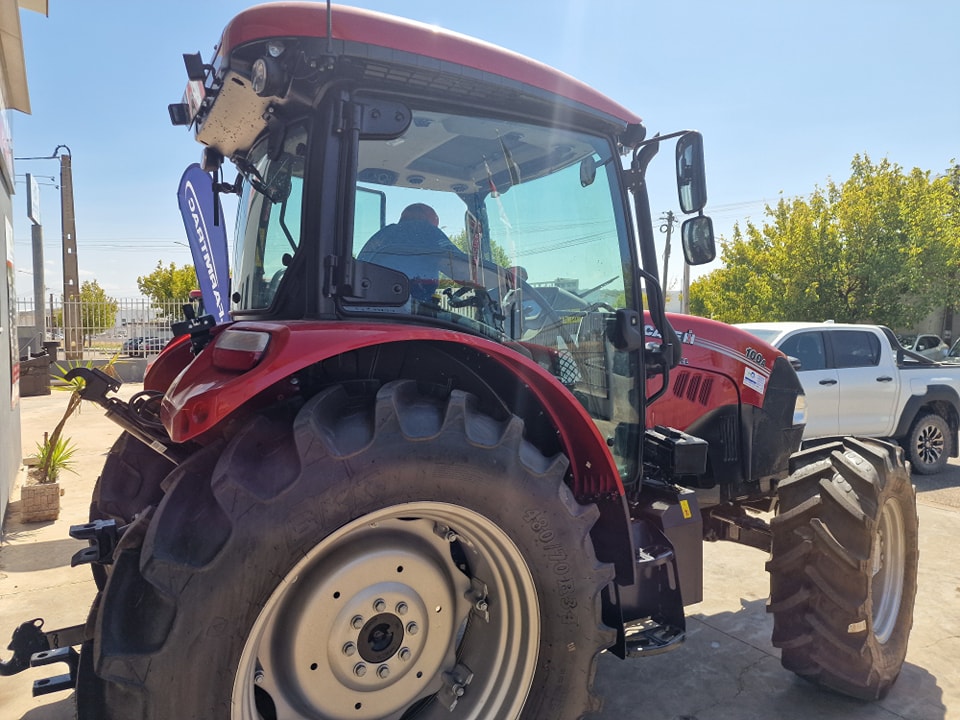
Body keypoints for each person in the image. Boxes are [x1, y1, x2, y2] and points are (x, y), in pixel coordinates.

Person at [358, 203, 470, 302]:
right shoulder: (427, 231)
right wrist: (481, 275)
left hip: (369, 304)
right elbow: (462, 272)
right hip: (410, 307)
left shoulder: (383, 235)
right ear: (431, 222)